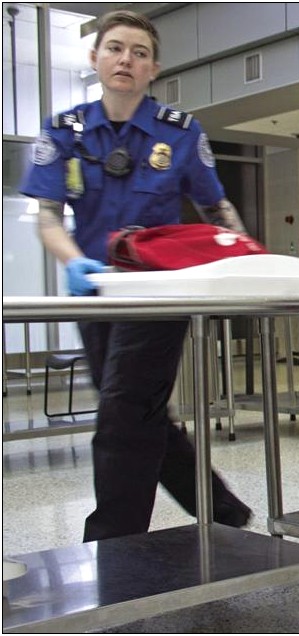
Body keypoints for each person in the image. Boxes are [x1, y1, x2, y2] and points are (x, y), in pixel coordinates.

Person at [19, 10, 252, 542]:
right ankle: (222, 510)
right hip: (97, 292)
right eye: (116, 48)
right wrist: (72, 262)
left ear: (154, 68)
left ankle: (112, 544)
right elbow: (50, 215)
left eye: (139, 52)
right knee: (137, 407)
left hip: (157, 294)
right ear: (95, 58)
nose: (126, 59)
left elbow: (215, 208)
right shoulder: (64, 132)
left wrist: (244, 259)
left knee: (123, 412)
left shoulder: (181, 132)